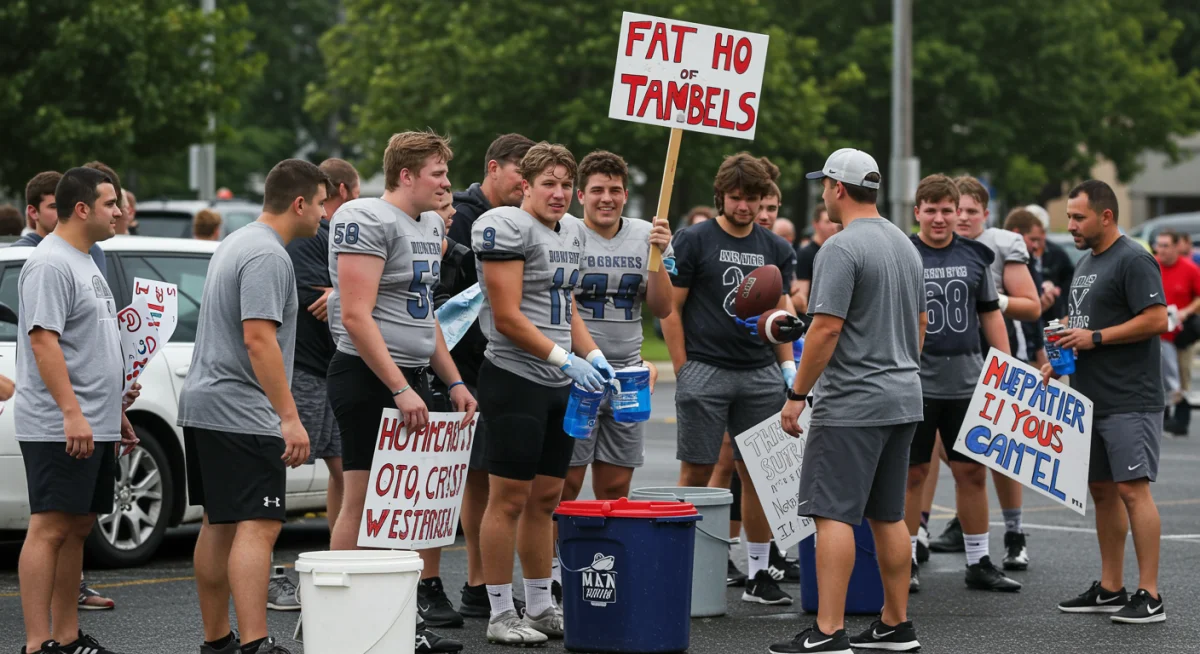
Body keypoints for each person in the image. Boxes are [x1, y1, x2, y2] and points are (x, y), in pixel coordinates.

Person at [325, 132, 474, 654]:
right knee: (364, 499)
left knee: (406, 503)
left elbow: (423, 312)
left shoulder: (431, 223)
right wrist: (398, 387)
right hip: (368, 377)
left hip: (409, 375)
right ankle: (339, 617)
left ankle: (395, 619)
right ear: (406, 175)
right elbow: (354, 314)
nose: (447, 182)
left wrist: (452, 379)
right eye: (437, 172)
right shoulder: (363, 217)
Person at [771, 148, 924, 654]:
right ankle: (895, 624)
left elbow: (826, 329)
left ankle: (829, 631)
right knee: (889, 514)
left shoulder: (839, 247)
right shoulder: (905, 242)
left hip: (854, 400)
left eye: (824, 185)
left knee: (830, 513)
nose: (822, 193)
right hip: (904, 395)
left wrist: (797, 395)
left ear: (837, 188)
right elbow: (920, 325)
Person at [177, 159, 330, 654]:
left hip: (205, 403)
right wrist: (289, 417)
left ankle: (218, 642)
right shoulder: (268, 255)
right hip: (240, 409)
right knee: (259, 526)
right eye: (322, 202)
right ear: (300, 202)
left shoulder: (236, 241)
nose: (324, 214)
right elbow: (259, 338)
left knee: (219, 522)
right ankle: (255, 644)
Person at [473, 142, 611, 645]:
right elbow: (508, 316)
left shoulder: (572, 229)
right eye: (547, 183)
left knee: (546, 498)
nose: (558, 193)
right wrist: (564, 359)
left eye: (565, 184)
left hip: (558, 380)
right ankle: (498, 611)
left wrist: (593, 355)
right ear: (525, 185)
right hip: (515, 377)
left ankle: (537, 604)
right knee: (507, 497)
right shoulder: (504, 225)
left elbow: (563, 304)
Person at [661, 152, 798, 609]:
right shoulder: (695, 239)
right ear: (721, 195)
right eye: (737, 197)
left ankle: (759, 571)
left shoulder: (775, 246)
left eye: (754, 199)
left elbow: (778, 314)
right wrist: (683, 369)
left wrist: (787, 367)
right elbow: (670, 309)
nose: (745, 207)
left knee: (759, 475)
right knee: (697, 471)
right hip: (707, 366)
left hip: (759, 372)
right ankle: (684, 567)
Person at [17, 166, 132, 654]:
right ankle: (37, 643)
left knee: (79, 526)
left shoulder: (86, 260)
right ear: (82, 208)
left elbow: (92, 345)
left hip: (95, 421)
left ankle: (66, 637)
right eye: (111, 204)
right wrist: (71, 412)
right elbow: (44, 342)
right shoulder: (50, 263)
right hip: (59, 424)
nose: (120, 212)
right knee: (50, 527)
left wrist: (116, 411)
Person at [1047, 180, 1169, 624]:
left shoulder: (1134, 258)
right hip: (1089, 397)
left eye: (1078, 217)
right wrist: (1059, 354)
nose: (1071, 225)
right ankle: (1111, 587)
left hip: (1129, 397)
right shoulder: (1086, 262)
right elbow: (1085, 322)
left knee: (1133, 491)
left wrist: (1095, 337)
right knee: (1102, 491)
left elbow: (1157, 318)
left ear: (1106, 216)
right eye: (1069, 217)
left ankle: (1150, 593)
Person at [904, 174, 1021, 596]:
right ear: (916, 212)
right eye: (930, 210)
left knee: (972, 473)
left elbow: (990, 313)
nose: (939, 218)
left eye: (946, 210)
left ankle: (978, 560)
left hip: (967, 381)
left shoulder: (976, 254)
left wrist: (1006, 369)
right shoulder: (904, 252)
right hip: (916, 382)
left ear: (959, 213)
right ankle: (905, 559)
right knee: (913, 473)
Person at [442, 133, 536, 619]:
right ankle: (457, 584)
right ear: (493, 168)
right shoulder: (459, 214)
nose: (526, 183)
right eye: (521, 172)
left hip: (497, 362)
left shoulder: (527, 220)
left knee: (484, 480)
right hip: (459, 365)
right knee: (465, 480)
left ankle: (481, 584)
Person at [927, 176, 1041, 570]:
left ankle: (1012, 533)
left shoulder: (993, 248)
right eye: (952, 210)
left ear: (984, 213)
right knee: (931, 459)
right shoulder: (918, 250)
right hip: (933, 368)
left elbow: (1029, 307)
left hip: (987, 360)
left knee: (998, 457)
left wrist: (989, 297)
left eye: (968, 211)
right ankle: (922, 535)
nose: (958, 217)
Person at [263, 158, 361, 613]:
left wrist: (340, 293)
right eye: (345, 200)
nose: (329, 213)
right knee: (269, 470)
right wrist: (339, 294)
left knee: (347, 469)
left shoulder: (335, 237)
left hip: (333, 368)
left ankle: (340, 569)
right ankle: (261, 572)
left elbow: (341, 295)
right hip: (300, 369)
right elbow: (308, 299)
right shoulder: (301, 240)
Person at [561, 150, 671, 501]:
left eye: (614, 190)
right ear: (581, 196)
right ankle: (555, 558)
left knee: (615, 489)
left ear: (625, 195)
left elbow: (663, 307)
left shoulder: (644, 234)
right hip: (576, 374)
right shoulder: (565, 232)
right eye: (596, 190)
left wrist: (658, 258)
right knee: (565, 485)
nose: (606, 198)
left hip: (627, 376)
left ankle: (601, 557)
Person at [1152, 229, 1200, 435]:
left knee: (1181, 376)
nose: (1161, 250)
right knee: (1159, 379)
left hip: (1181, 334)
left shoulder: (1189, 269)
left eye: (1166, 245)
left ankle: (1181, 421)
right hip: (1155, 334)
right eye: (1159, 245)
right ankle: (1164, 418)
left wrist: (1186, 312)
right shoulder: (1151, 266)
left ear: (1176, 247)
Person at [15, 171, 107, 273]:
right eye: (54, 207)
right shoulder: (18, 254)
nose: (62, 212)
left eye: (67, 205)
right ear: (33, 212)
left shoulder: (93, 251)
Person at [1002, 209, 1050, 367]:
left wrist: (1038, 349)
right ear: (1016, 234)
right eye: (1033, 239)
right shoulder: (1000, 259)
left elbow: (1034, 314)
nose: (1036, 246)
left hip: (1021, 347)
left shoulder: (1030, 262)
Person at [793, 203, 840, 313]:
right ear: (816, 224)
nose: (833, 226)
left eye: (835, 221)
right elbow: (801, 298)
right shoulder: (805, 254)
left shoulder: (839, 251)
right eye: (828, 222)